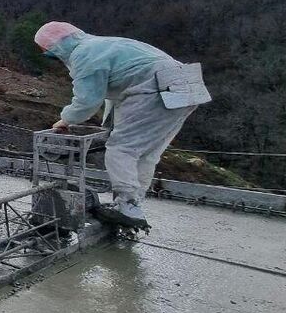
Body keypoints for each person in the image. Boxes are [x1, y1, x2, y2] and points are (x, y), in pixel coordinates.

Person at [35, 22, 211, 230]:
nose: (50, 56)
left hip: (156, 89)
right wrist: (109, 125)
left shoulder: (84, 55)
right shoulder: (104, 44)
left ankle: (127, 206)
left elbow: (87, 101)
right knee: (147, 153)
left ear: (57, 45)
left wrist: (65, 120)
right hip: (186, 87)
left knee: (121, 149)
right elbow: (118, 91)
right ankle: (133, 204)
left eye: (47, 51)